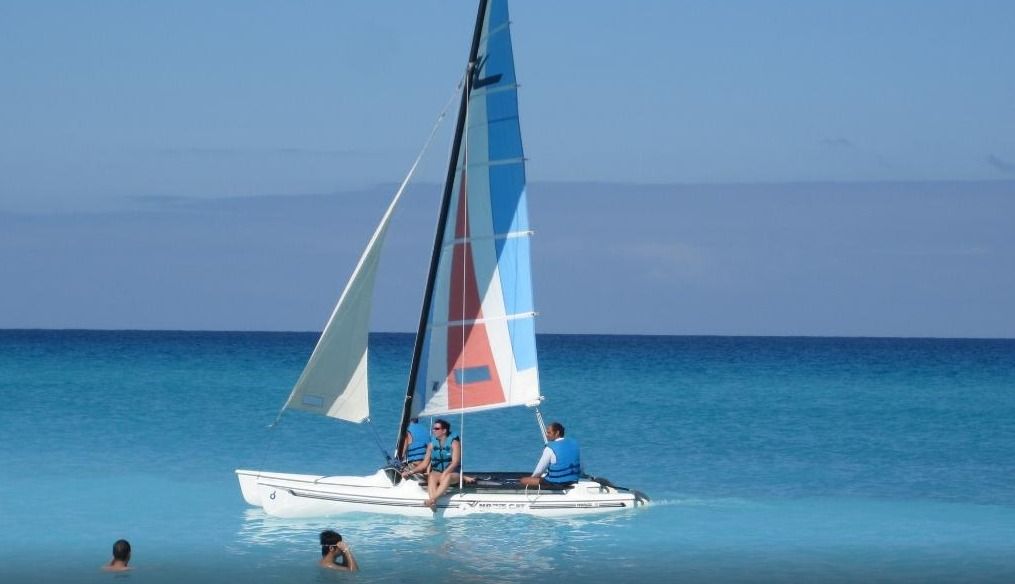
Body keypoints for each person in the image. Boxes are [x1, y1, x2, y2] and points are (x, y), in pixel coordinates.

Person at [401, 418, 469, 509]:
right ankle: (433, 503)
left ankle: (432, 500)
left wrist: (445, 473)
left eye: (437, 429)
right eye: (433, 428)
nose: (433, 431)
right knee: (432, 476)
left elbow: (455, 462)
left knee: (447, 476)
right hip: (438, 473)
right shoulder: (432, 445)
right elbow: (424, 464)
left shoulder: (454, 443)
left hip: (453, 474)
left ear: (444, 430)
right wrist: (410, 472)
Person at [520, 422, 582, 487]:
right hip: (573, 480)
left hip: (555, 482)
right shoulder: (574, 444)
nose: (547, 435)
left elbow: (539, 470)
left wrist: (532, 478)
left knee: (523, 480)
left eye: (549, 433)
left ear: (557, 433)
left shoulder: (550, 447)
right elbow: (580, 466)